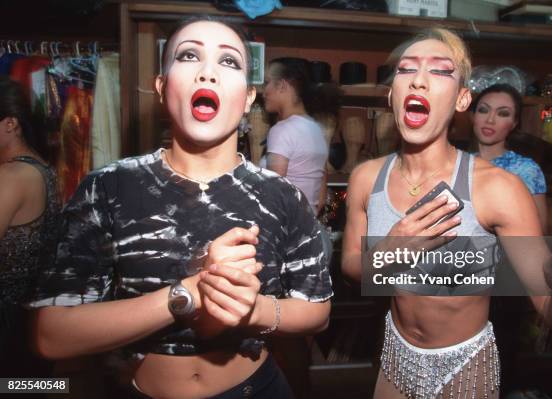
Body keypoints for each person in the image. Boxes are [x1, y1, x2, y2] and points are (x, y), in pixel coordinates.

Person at [29, 17, 332, 399]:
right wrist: (188, 294)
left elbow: (317, 310)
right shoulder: (107, 188)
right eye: (189, 56)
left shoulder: (281, 195)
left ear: (248, 98)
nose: (208, 73)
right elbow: (51, 336)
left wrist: (251, 310)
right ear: (161, 86)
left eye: (229, 62)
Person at [341, 27, 552, 399]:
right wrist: (391, 251)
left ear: (462, 99)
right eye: (407, 69)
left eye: (439, 71)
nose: (419, 80)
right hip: (395, 359)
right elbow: (352, 266)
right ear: (392, 94)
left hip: (464, 369)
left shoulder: (498, 188)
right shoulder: (366, 178)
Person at [0, 76, 61, 377]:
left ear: (10, 124)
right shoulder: (43, 167)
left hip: (7, 325)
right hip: (32, 322)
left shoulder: (13, 175)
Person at [471, 83, 547, 230]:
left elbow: (540, 232)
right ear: (473, 116)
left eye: (503, 113)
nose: (490, 120)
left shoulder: (526, 169)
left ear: (514, 123)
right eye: (483, 110)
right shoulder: (457, 161)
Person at [260, 57, 331, 214]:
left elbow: (274, 197)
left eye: (267, 83)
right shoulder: (318, 130)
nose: (264, 92)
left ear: (282, 86)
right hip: (307, 229)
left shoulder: (282, 130)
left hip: (285, 231)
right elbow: (320, 200)